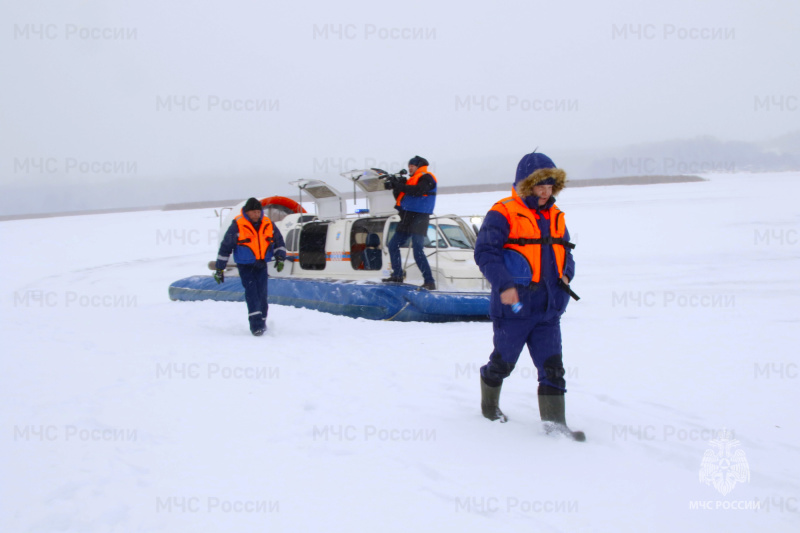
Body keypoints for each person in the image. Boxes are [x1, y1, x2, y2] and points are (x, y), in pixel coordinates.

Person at [474, 152, 584, 441]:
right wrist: (505, 285)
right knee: (503, 363)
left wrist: (567, 274)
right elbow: (485, 253)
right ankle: (489, 406)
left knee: (552, 368)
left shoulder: (556, 216)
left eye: (550, 185)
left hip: (549, 309)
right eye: (539, 185)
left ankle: (555, 425)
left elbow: (566, 251)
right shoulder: (503, 212)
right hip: (515, 308)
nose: (546, 192)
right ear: (526, 185)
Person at [214, 197, 287, 336]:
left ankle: (263, 322)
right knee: (252, 293)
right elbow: (226, 247)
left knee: (262, 295)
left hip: (261, 265)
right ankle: (256, 326)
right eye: (254, 212)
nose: (257, 215)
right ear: (247, 212)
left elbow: (279, 241)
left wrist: (280, 257)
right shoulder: (237, 224)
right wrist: (219, 268)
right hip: (245, 266)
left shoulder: (268, 223)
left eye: (258, 212)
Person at [382, 155, 437, 290]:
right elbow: (401, 196)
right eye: (409, 166)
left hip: (420, 217)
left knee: (417, 249)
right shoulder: (411, 180)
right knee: (393, 245)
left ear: (418, 166)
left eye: (412, 166)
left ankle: (429, 281)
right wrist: (395, 186)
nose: (410, 168)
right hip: (407, 216)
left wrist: (399, 185)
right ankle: (397, 275)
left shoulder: (427, 177)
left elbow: (419, 190)